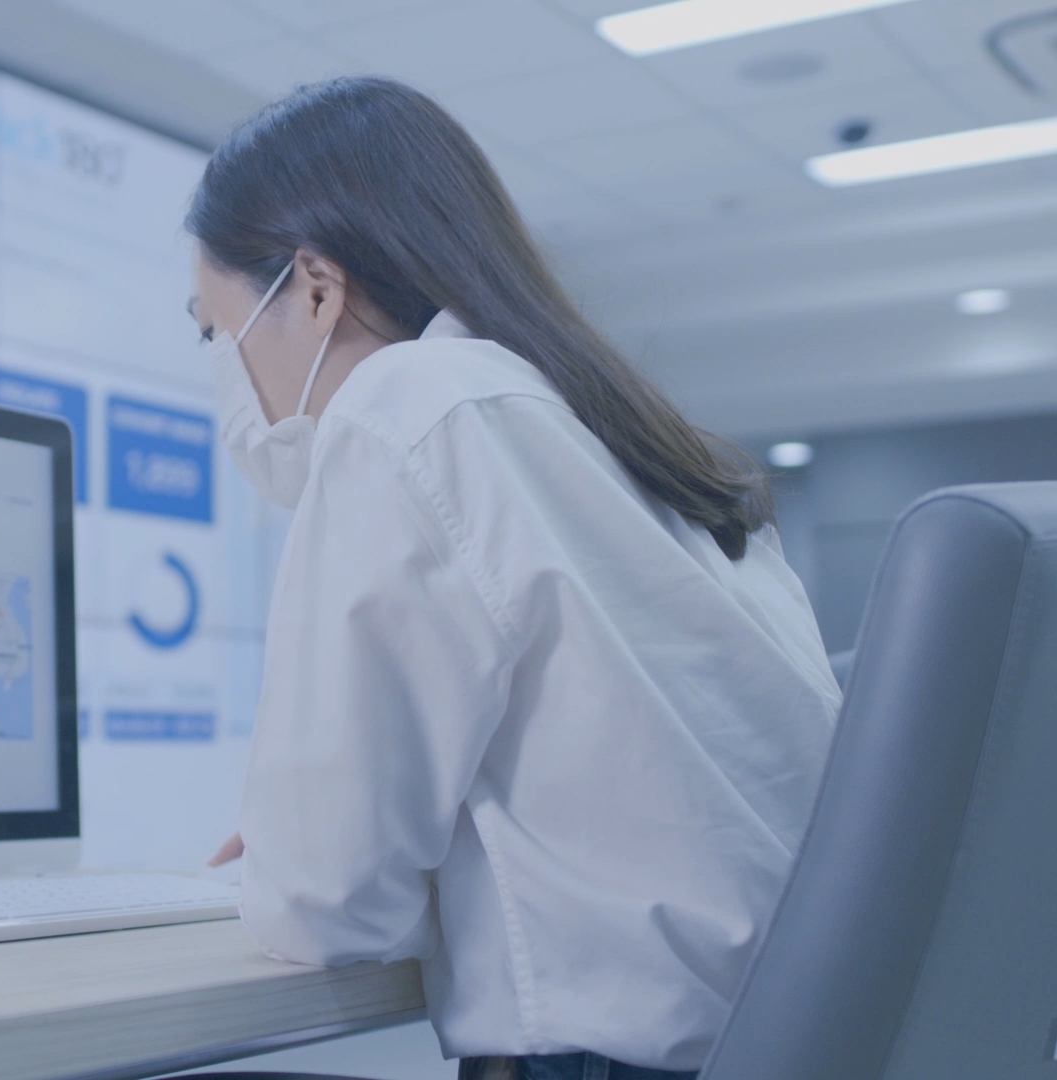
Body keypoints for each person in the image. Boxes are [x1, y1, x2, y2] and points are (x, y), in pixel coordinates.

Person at [190, 77, 841, 1080]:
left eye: (213, 332)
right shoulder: (631, 437)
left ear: (313, 289)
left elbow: (327, 906)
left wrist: (299, 840)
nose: (225, 378)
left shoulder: (405, 406)